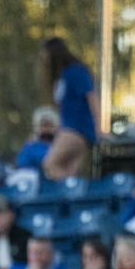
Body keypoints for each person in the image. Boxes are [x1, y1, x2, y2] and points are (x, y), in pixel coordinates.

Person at [40, 37, 98, 179]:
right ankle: (73, 195)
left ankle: (70, 189)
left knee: (50, 164)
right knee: (70, 172)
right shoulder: (62, 77)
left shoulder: (76, 71)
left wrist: (99, 128)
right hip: (68, 129)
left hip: (77, 129)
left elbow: (92, 98)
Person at [15, 107, 59, 172]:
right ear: (37, 126)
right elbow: (21, 165)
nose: (47, 129)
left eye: (50, 125)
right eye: (44, 125)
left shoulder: (59, 145)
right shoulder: (31, 145)